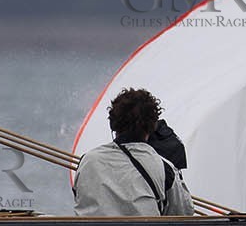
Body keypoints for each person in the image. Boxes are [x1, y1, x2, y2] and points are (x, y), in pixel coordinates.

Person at [74, 88, 195, 216]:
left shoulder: (87, 161)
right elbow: (183, 214)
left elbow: (79, 197)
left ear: (113, 124)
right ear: (152, 126)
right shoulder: (164, 168)